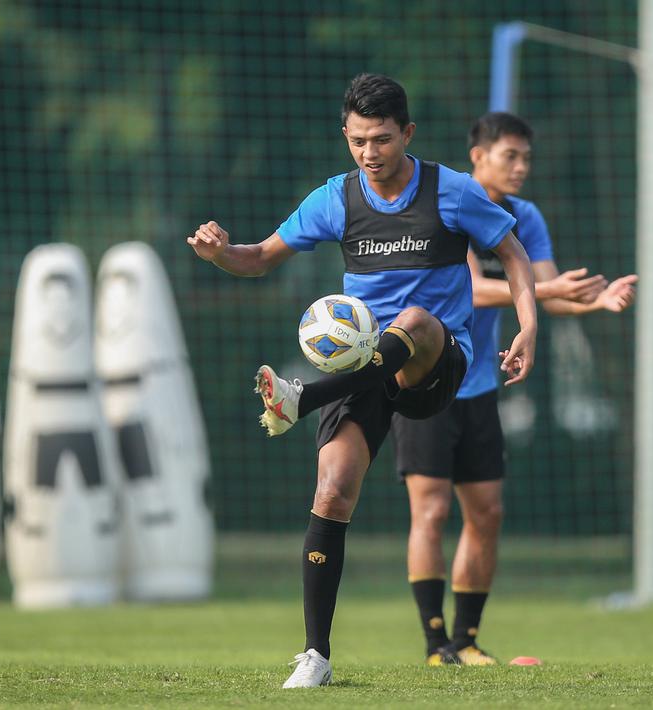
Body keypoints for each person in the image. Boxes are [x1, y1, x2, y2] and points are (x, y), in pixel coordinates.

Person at [187, 76, 540, 688]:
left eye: (381, 139)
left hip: (437, 364)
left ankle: (304, 396)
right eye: (357, 142)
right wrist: (220, 253)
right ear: (345, 138)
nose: (369, 153)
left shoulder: (451, 192)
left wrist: (528, 327)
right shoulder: (335, 198)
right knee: (332, 491)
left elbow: (512, 252)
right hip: (364, 368)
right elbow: (260, 256)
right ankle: (316, 656)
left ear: (407, 134)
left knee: (415, 320)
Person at [390, 112, 637, 666]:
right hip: (426, 383)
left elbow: (543, 293)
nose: (522, 166)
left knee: (488, 514)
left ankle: (466, 640)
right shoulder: (451, 205)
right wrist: (549, 288)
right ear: (477, 157)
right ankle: (435, 645)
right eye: (510, 156)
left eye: (527, 157)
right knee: (429, 513)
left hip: (478, 388)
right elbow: (475, 290)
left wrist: (594, 300)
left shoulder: (525, 216)